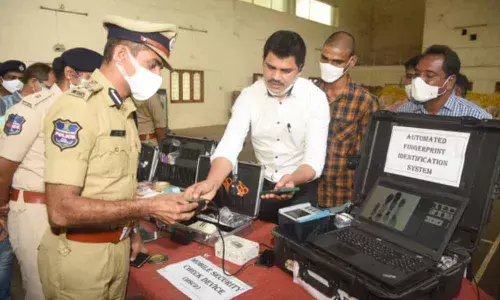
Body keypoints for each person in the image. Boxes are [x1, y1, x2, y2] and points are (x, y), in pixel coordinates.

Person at [38, 15, 198, 299]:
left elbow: (116, 185)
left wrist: (132, 231)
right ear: (122, 55)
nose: (158, 75)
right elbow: (61, 209)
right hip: (80, 260)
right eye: (153, 64)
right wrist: (146, 208)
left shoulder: (123, 110)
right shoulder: (79, 109)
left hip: (118, 250)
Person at [185, 30, 330, 224]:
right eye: (270, 67)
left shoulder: (315, 98)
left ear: (300, 69)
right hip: (263, 188)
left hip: (300, 189)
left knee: (297, 246)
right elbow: (229, 146)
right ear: (263, 60)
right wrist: (212, 182)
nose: (276, 77)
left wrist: (293, 180)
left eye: (286, 71)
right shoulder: (248, 96)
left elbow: (314, 159)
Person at [0, 48, 102, 300]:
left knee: (68, 287)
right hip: (35, 212)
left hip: (72, 210)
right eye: (95, 77)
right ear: (71, 74)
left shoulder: (87, 109)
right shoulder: (35, 108)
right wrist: (2, 206)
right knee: (42, 288)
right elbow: (4, 165)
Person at [315, 31, 379, 208]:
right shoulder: (308, 93)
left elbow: (368, 159)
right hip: (304, 192)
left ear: (352, 62)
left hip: (339, 197)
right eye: (325, 58)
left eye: (337, 61)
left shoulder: (364, 102)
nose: (329, 65)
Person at [397, 45, 491, 119]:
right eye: (417, 74)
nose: (419, 80)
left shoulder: (477, 118)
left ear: (450, 81)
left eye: (429, 75)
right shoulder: (403, 112)